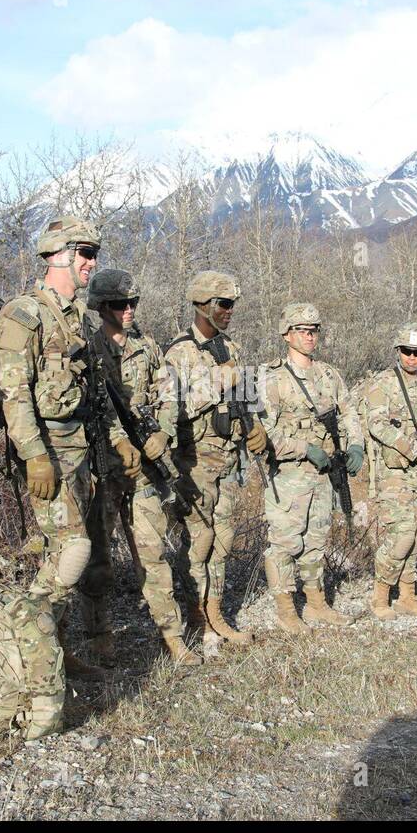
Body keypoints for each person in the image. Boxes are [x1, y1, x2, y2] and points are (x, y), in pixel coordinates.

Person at [0, 216, 141, 682]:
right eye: (84, 253)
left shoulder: (79, 317)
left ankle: (58, 651)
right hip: (53, 458)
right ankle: (25, 653)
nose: (91, 263)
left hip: (87, 454)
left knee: (84, 553)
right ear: (58, 254)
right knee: (68, 554)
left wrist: (118, 437)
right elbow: (14, 393)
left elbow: (101, 390)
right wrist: (33, 454)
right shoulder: (24, 315)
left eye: (93, 253)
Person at [81, 268, 201, 666]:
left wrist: (162, 434)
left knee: (153, 556)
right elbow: (91, 410)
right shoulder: (88, 349)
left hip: (145, 469)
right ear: (101, 307)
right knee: (98, 560)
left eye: (134, 302)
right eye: (120, 304)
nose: (129, 310)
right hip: (104, 469)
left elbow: (168, 394)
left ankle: (172, 637)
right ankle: (100, 640)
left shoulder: (147, 346)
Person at [163, 271, 267, 649]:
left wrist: (255, 427)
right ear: (202, 305)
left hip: (227, 461)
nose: (229, 311)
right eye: (223, 304)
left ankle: (215, 612)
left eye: (232, 305)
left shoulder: (232, 349)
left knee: (223, 540)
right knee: (198, 541)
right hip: (194, 464)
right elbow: (169, 409)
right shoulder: (179, 352)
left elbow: (248, 396)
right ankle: (195, 616)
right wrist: (215, 385)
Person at [257, 303, 363, 632]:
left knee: (316, 540)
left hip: (324, 475)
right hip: (290, 476)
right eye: (302, 330)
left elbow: (348, 413)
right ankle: (286, 610)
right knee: (285, 543)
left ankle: (316, 605)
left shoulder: (329, 375)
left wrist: (356, 444)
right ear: (286, 334)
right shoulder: (272, 378)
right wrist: (305, 448)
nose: (309, 336)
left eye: (313, 330)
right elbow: (264, 434)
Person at [363, 323, 417, 619]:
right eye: (406, 351)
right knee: (401, 535)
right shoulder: (383, 383)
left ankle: (406, 595)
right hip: (396, 475)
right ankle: (380, 596)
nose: (412, 357)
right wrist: (415, 450)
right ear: (397, 351)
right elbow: (377, 425)